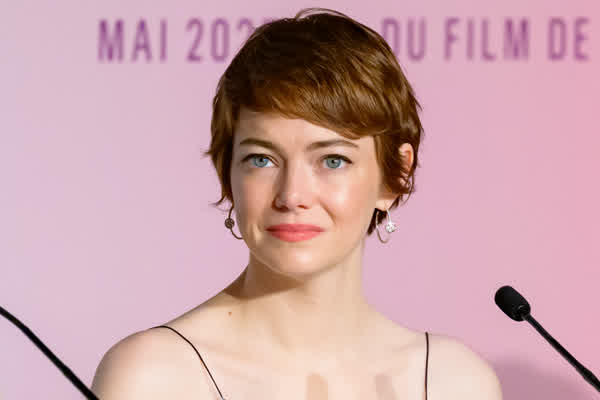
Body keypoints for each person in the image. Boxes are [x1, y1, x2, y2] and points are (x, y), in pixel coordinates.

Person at [91, 8, 502, 400]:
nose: (291, 196)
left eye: (332, 160)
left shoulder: (453, 382)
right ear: (227, 172)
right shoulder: (154, 376)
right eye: (261, 159)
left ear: (395, 176)